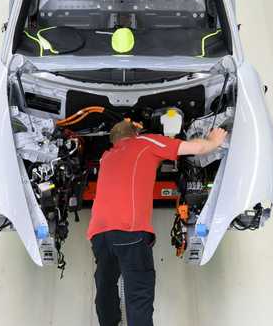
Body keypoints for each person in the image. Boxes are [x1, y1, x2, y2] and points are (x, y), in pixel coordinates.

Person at [88, 119, 228, 326]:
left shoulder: (106, 156)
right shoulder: (145, 142)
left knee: (105, 285)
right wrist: (214, 141)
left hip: (99, 234)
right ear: (136, 133)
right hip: (129, 228)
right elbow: (196, 148)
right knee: (138, 292)